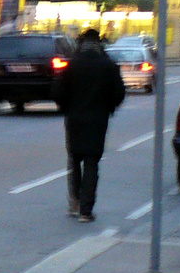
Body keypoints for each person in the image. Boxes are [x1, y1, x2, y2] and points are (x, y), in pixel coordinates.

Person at [51, 28, 125, 223]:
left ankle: (74, 202)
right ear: (98, 42)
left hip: (74, 119)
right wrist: (109, 107)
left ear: (82, 42)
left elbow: (58, 91)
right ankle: (86, 211)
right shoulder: (108, 65)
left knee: (74, 161)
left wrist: (66, 107)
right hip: (98, 120)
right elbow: (119, 93)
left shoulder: (73, 64)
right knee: (92, 162)